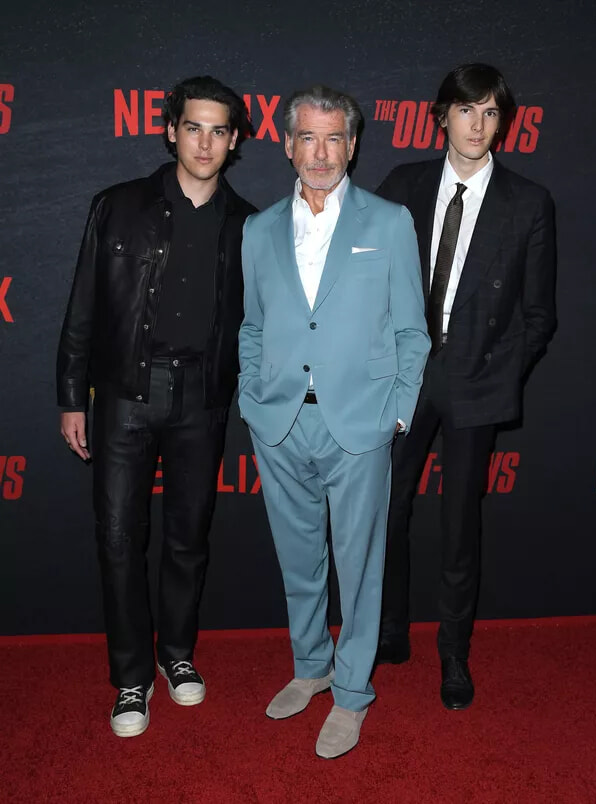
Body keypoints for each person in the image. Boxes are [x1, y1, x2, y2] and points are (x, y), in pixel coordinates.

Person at [57, 75, 255, 737]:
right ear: (171, 130)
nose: (205, 142)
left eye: (218, 130)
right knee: (119, 539)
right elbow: (83, 308)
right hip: (123, 396)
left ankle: (176, 653)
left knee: (188, 539)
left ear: (234, 140)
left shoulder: (249, 224)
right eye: (192, 127)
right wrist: (71, 397)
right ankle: (131, 678)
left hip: (202, 398)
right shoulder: (117, 206)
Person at [238, 85, 430, 758]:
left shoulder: (388, 223)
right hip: (280, 422)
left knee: (360, 566)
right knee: (299, 561)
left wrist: (397, 413)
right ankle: (311, 666)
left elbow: (412, 330)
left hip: (360, 424)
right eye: (307, 138)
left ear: (352, 145)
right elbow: (253, 326)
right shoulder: (258, 230)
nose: (320, 154)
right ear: (287, 146)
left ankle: (351, 693)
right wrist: (252, 398)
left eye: (333, 139)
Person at [375, 63, 557, 710]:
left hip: (475, 380)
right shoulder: (402, 186)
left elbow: (539, 315)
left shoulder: (528, 203)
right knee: (385, 508)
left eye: (490, 113)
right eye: (465, 110)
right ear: (441, 115)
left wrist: (495, 370)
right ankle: (388, 630)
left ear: (502, 123)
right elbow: (366, 280)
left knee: (458, 523)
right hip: (404, 374)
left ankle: (453, 652)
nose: (477, 126)